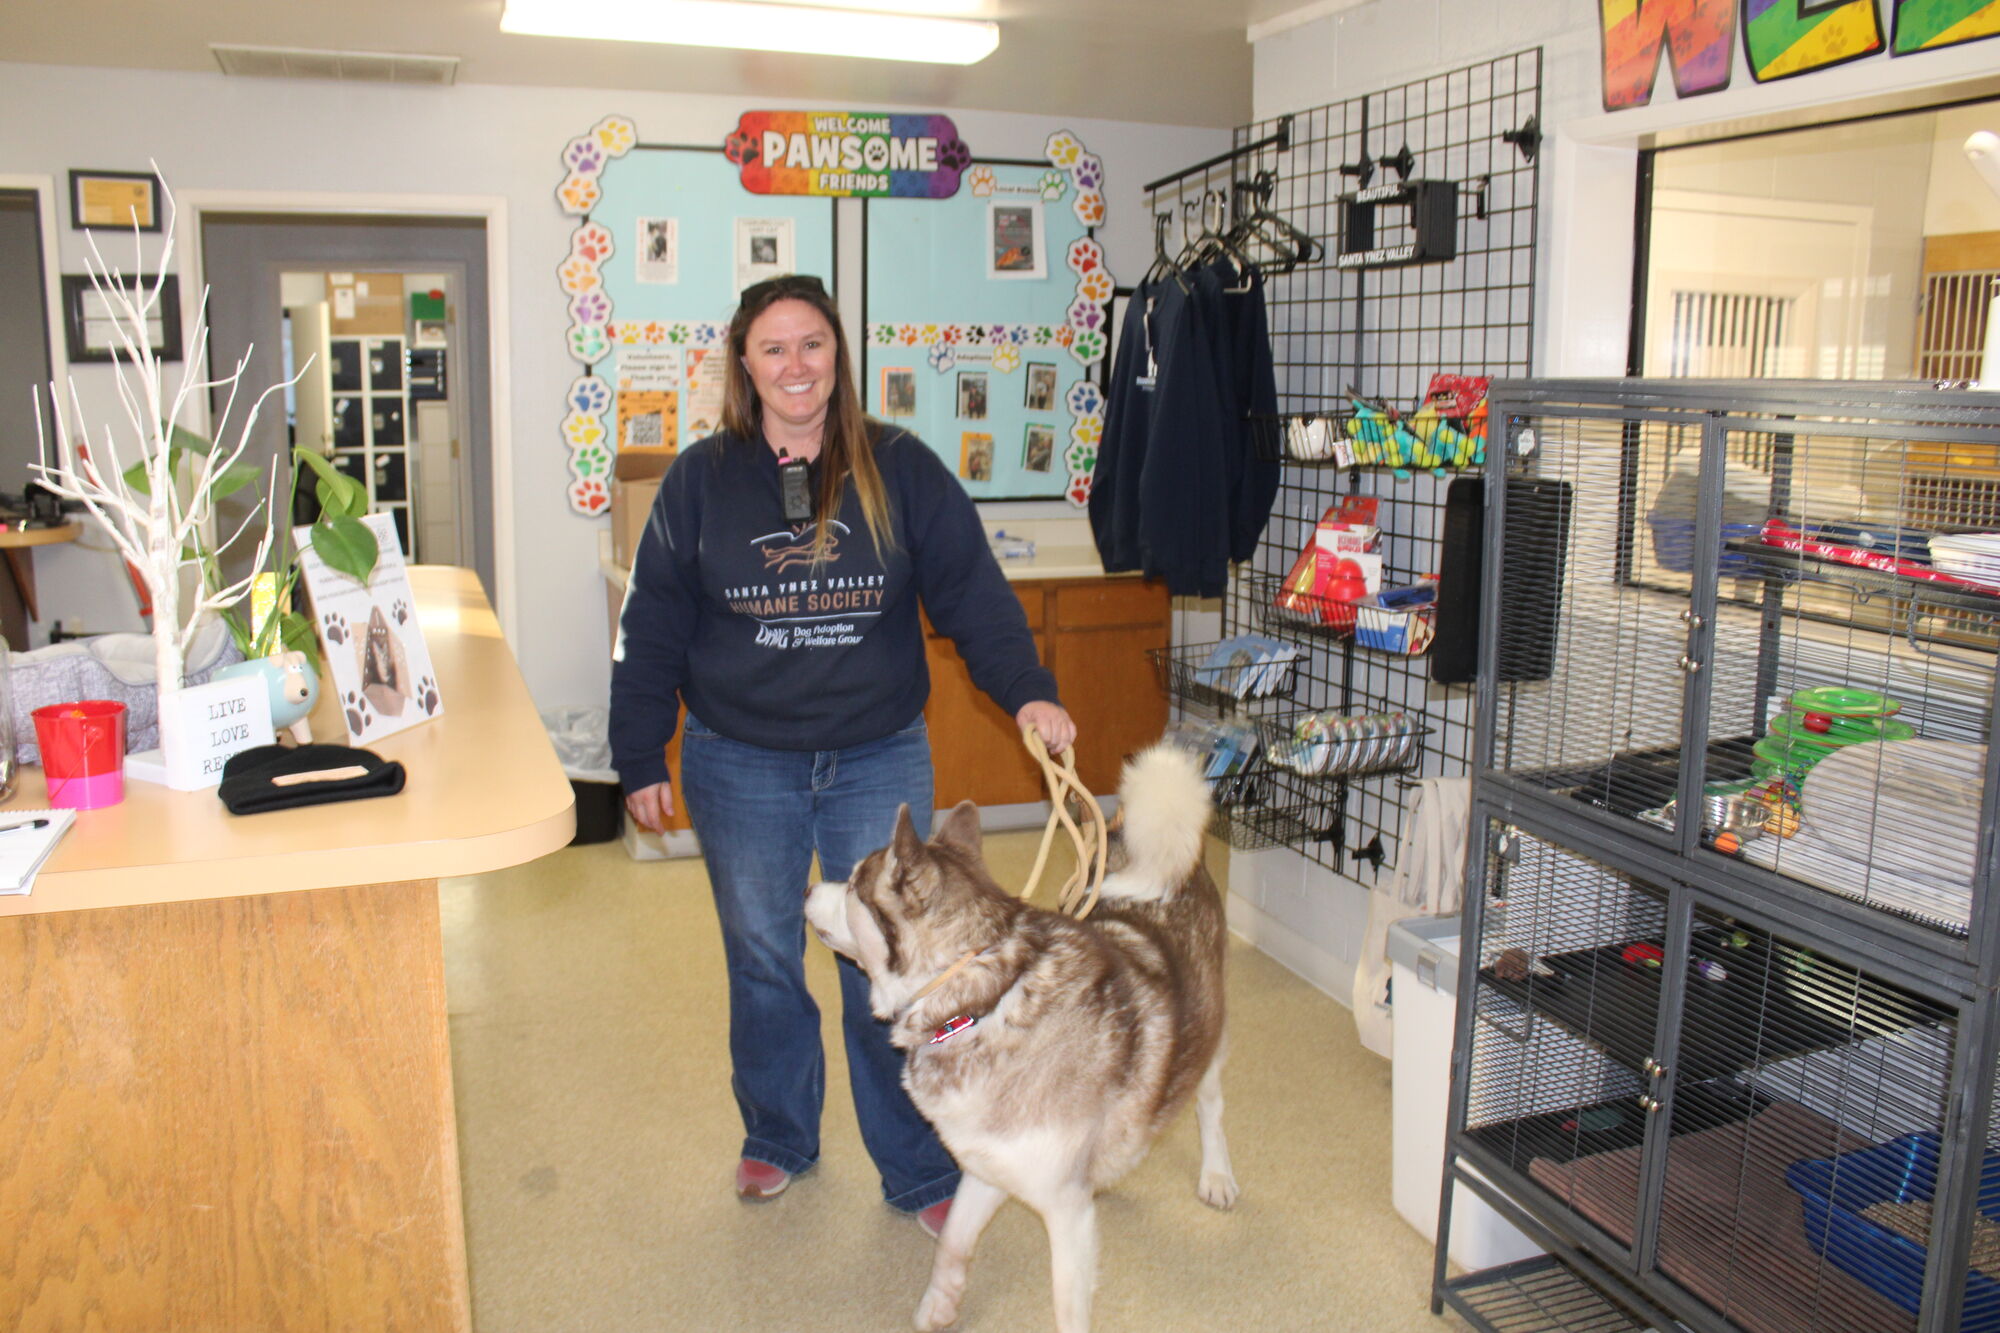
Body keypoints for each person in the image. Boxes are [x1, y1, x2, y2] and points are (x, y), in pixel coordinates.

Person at [609, 273, 1076, 1238]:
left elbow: (972, 593)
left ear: (837, 357)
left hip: (876, 754)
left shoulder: (899, 467)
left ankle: (913, 1166)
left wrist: (1029, 689)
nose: (795, 365)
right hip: (741, 762)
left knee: (897, 963)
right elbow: (651, 623)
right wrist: (638, 751)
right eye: (774, 347)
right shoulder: (698, 482)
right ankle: (779, 1133)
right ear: (744, 362)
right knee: (766, 959)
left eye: (812, 344)